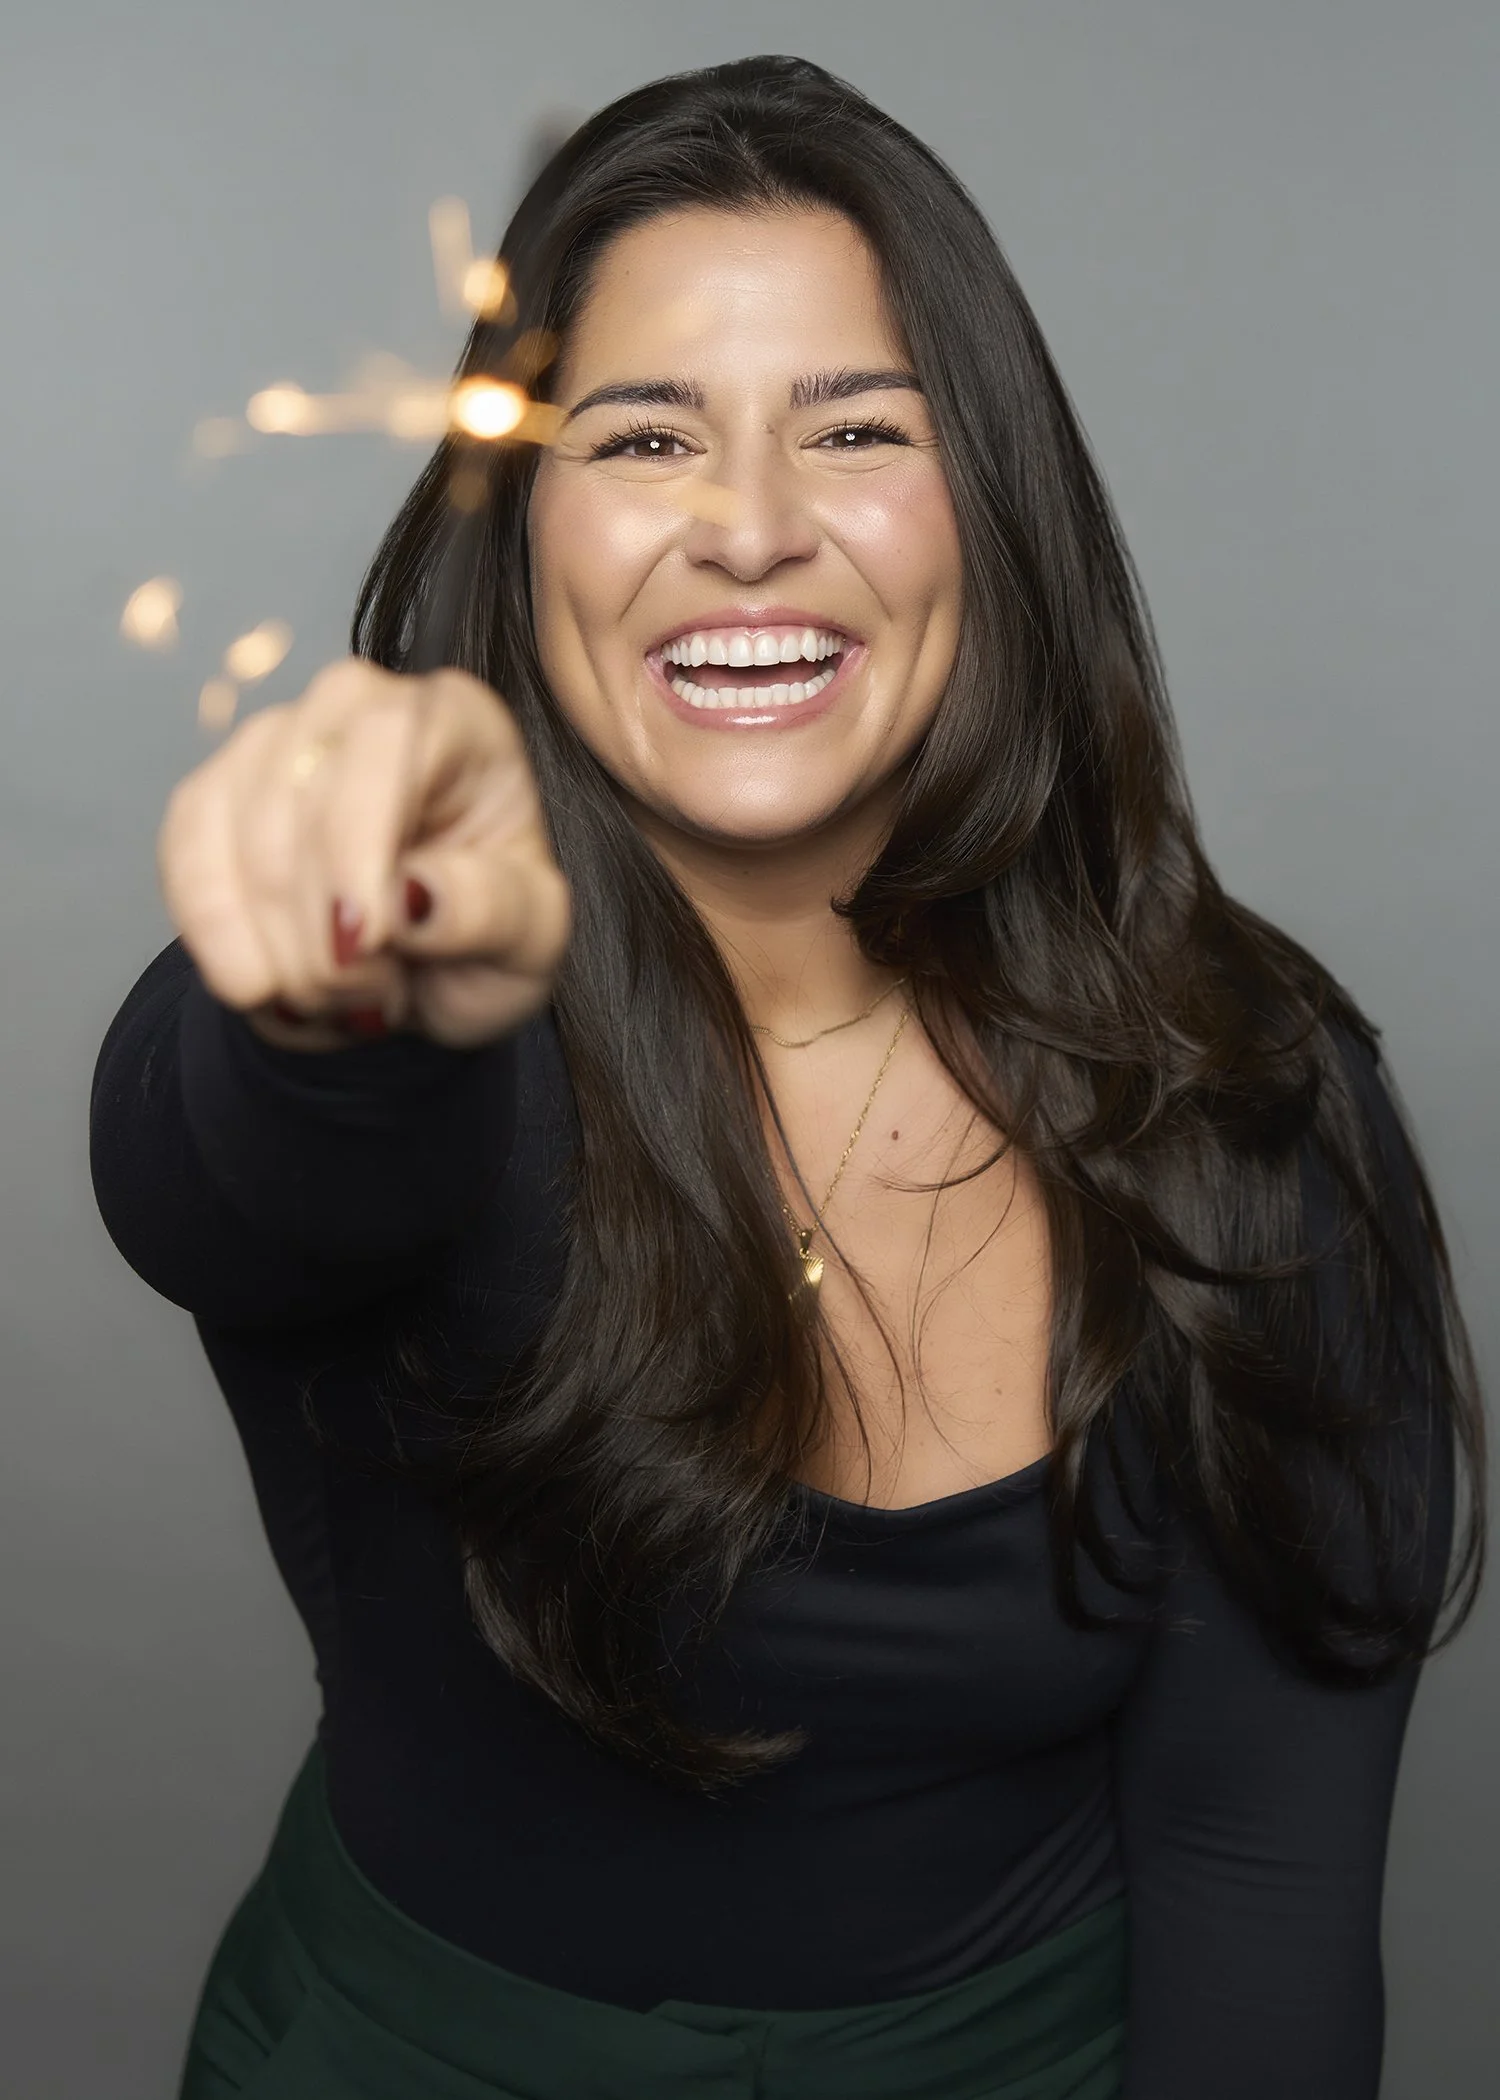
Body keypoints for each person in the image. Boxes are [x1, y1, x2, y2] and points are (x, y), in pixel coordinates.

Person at [90, 53, 1485, 2100]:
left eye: (856, 430)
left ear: (990, 508)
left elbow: (1259, 1870)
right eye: (645, 436)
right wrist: (339, 1003)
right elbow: (234, 1164)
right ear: (530, 525)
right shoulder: (407, 1027)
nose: (751, 531)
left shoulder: (1249, 1093)